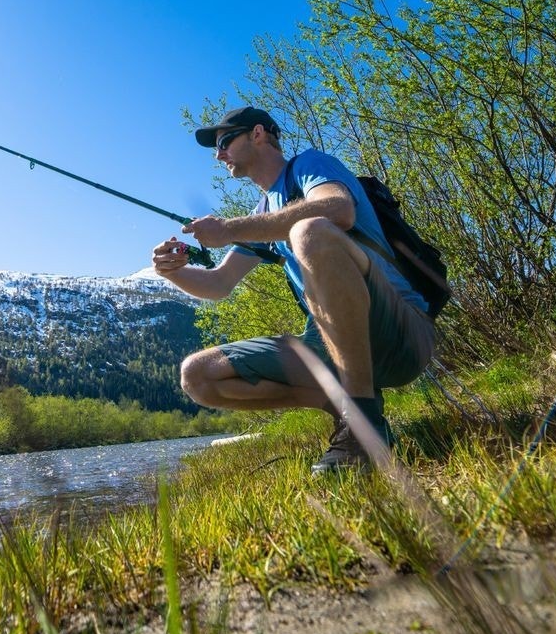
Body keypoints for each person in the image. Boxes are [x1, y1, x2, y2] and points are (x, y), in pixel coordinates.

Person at [151, 106, 436, 472]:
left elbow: (337, 210)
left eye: (224, 142)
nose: (218, 155)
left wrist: (230, 229)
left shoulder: (309, 165)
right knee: (198, 375)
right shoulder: (264, 209)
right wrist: (172, 271)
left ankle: (363, 429)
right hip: (329, 345)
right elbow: (220, 283)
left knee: (309, 230)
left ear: (257, 134)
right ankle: (355, 413)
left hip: (402, 332)